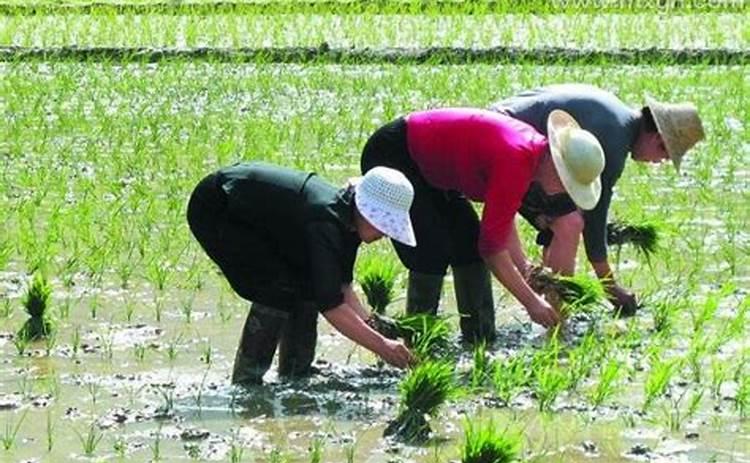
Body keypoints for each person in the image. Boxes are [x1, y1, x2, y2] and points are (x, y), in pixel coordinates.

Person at [360, 108, 605, 340]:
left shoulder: (531, 157)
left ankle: (480, 339)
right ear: (555, 163)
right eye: (567, 183)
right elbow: (492, 248)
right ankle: (419, 345)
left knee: (468, 246)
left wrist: (525, 270)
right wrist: (531, 302)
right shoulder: (517, 160)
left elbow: (500, 223)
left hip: (437, 176)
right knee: (431, 251)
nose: (564, 192)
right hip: (397, 153)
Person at [187, 162, 416, 385]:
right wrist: (382, 346)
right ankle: (248, 381)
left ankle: (295, 373)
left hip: (259, 219)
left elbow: (341, 286)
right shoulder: (326, 223)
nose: (385, 234)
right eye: (384, 224)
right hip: (220, 207)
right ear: (366, 211)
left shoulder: (348, 222)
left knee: (307, 283)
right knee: (278, 288)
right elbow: (332, 307)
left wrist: (372, 324)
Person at [491, 84, 705, 315]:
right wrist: (612, 289)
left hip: (499, 127)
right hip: (505, 141)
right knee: (569, 224)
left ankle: (547, 297)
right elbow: (593, 218)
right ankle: (558, 316)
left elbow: (581, 207)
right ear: (658, 139)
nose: (659, 162)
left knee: (563, 219)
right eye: (665, 155)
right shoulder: (614, 141)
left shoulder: (618, 117)